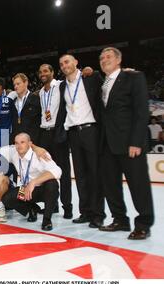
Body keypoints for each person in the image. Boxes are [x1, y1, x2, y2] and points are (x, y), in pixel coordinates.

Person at [97, 47, 154, 240]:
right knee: (111, 186)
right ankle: (120, 219)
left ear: (119, 59)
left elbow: (141, 111)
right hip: (107, 145)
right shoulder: (102, 84)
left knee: (139, 185)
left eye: (109, 57)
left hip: (129, 144)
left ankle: (144, 224)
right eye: (102, 58)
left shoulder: (133, 78)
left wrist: (136, 141)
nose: (105, 60)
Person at [55, 54, 105, 228]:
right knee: (81, 175)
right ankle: (85, 212)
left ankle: (98, 214)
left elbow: (107, 83)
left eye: (67, 62)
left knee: (95, 174)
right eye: (61, 64)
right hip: (73, 134)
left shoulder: (91, 77)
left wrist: (92, 70)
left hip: (91, 130)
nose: (64, 65)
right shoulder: (62, 86)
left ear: (76, 62)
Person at [2, 133, 61, 231]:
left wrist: (33, 182)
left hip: (42, 190)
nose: (19, 145)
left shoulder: (40, 154)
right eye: (16, 143)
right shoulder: (14, 152)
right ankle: (31, 208)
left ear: (30, 144)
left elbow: (57, 171)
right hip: (26, 190)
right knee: (7, 198)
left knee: (52, 184)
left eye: (22, 142)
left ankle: (47, 220)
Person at [38, 64, 73, 219]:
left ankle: (68, 207)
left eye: (46, 71)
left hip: (58, 133)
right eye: (40, 72)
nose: (42, 74)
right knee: (47, 172)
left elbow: (75, 80)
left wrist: (88, 72)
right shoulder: (40, 92)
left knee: (63, 172)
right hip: (44, 135)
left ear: (52, 72)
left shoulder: (61, 85)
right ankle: (52, 206)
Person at [10, 73, 41, 144]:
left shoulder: (36, 99)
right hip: (17, 143)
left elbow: (38, 123)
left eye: (18, 84)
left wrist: (33, 142)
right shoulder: (13, 102)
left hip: (32, 142)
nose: (15, 87)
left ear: (26, 83)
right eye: (14, 85)